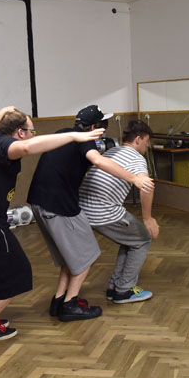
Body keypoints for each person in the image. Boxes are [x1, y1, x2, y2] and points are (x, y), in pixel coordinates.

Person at [0, 106, 104, 343]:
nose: (32, 135)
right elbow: (28, 148)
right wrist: (74, 136)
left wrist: (4, 109)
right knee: (17, 274)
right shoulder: (4, 146)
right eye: (32, 131)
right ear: (20, 133)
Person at [28, 105, 155, 322]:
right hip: (61, 206)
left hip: (39, 202)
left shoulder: (63, 134)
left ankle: (59, 300)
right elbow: (98, 161)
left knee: (70, 258)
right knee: (87, 255)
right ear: (94, 127)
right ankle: (73, 304)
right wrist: (135, 181)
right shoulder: (84, 139)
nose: (104, 131)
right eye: (103, 126)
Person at [78, 120, 159, 304]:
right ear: (138, 139)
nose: (147, 146)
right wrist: (148, 218)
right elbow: (147, 186)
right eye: (147, 141)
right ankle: (124, 290)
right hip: (103, 212)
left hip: (84, 210)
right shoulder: (136, 158)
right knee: (143, 239)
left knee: (130, 239)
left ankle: (114, 286)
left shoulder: (111, 151)